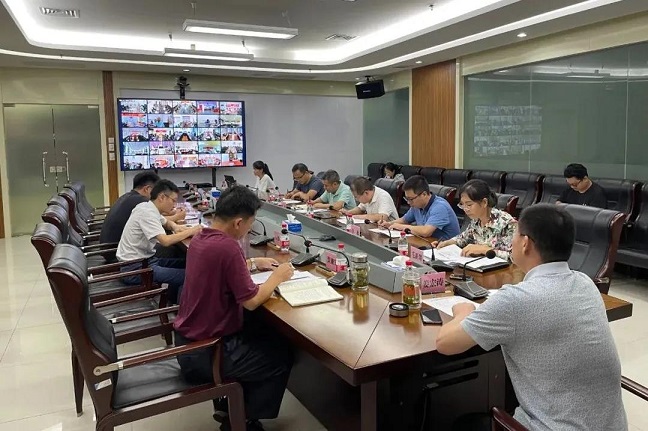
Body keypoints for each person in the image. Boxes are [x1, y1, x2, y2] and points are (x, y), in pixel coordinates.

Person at [436, 204, 627, 431]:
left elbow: (445, 344)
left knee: (460, 423)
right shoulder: (585, 282)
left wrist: (464, 311)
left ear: (525, 243)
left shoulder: (515, 300)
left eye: (515, 235)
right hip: (612, 426)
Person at [174, 186, 295, 431]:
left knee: (261, 329)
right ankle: (242, 420)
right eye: (250, 224)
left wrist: (253, 262)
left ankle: (229, 405)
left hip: (188, 342)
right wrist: (278, 276)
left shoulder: (201, 238)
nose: (249, 229)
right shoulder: (228, 247)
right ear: (239, 222)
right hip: (206, 353)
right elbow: (251, 301)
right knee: (280, 355)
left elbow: (221, 268)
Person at [117, 180, 201, 303]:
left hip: (145, 261)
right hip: (135, 270)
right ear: (162, 197)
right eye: (173, 200)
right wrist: (191, 231)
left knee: (187, 263)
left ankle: (172, 301)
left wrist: (176, 227)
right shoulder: (147, 213)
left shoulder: (147, 207)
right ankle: (179, 310)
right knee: (190, 276)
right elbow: (165, 241)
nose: (174, 205)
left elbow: (166, 222)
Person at [99, 172, 186, 263]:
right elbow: (156, 222)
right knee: (175, 251)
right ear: (147, 189)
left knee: (172, 248)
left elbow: (158, 218)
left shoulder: (129, 197)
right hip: (119, 253)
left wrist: (172, 220)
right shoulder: (141, 201)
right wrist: (177, 217)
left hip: (111, 248)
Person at [434, 179, 516, 260]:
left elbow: (515, 257)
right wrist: (448, 243)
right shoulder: (476, 220)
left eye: (469, 205)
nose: (465, 209)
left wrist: (485, 250)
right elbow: (463, 239)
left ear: (484, 202)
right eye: (462, 205)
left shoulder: (507, 223)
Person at [379, 175, 460, 240]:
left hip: (445, 249)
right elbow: (404, 220)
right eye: (407, 199)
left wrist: (400, 227)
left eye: (411, 199)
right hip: (426, 243)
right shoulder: (416, 205)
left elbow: (426, 232)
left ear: (424, 194)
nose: (408, 202)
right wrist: (389, 224)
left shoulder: (440, 207)